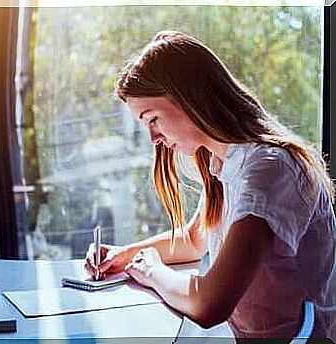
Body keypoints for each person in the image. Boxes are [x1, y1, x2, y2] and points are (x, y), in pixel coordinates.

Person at [84, 31, 335, 340]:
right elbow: (192, 241)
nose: (154, 139)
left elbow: (208, 304)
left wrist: (151, 271)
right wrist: (125, 255)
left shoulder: (269, 171)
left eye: (153, 119)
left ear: (189, 99)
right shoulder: (225, 164)